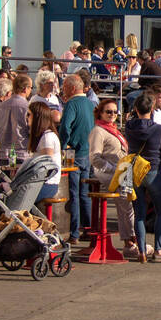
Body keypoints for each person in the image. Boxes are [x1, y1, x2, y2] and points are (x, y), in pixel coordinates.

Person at [125, 95, 161, 262]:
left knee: (139, 212)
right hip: (153, 169)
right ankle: (158, 249)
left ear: (136, 109)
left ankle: (142, 251)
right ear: (151, 110)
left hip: (134, 171)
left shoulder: (129, 126)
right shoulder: (159, 129)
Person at [89, 97, 134, 254]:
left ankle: (131, 241)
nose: (112, 114)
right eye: (108, 112)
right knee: (126, 204)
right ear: (100, 113)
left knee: (128, 205)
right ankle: (130, 241)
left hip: (124, 171)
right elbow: (94, 157)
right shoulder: (98, 131)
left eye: (115, 112)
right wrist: (112, 168)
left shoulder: (113, 129)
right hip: (111, 172)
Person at [60, 75, 94, 243]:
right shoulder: (90, 104)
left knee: (73, 193)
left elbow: (65, 127)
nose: (63, 89)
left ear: (72, 88)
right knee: (84, 194)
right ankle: (87, 228)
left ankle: (74, 233)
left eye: (65, 86)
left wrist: (63, 145)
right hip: (88, 152)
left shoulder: (71, 104)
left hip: (72, 153)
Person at [28, 101, 65, 203]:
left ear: (37, 117)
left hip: (47, 185)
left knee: (13, 198)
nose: (27, 117)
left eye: (29, 114)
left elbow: (46, 166)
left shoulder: (47, 137)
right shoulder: (42, 136)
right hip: (41, 183)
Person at [0, 73, 32, 154]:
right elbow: (32, 131)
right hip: (22, 153)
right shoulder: (28, 108)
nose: (31, 90)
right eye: (31, 87)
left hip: (1, 153)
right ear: (25, 89)